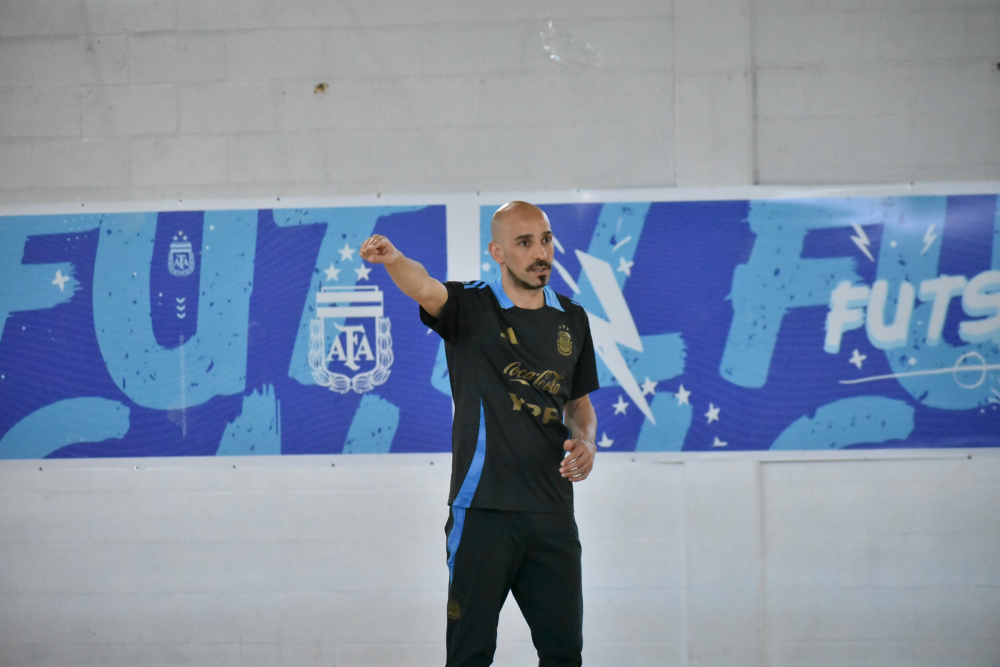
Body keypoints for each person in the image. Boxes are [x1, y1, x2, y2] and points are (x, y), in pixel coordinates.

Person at [360, 201, 599, 666]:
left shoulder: (573, 318)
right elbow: (424, 287)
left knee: (565, 653)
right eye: (524, 242)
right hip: (483, 512)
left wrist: (587, 441)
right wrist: (393, 260)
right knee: (469, 654)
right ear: (498, 251)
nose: (540, 252)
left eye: (546, 239)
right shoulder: (471, 306)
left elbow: (579, 406)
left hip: (551, 511)